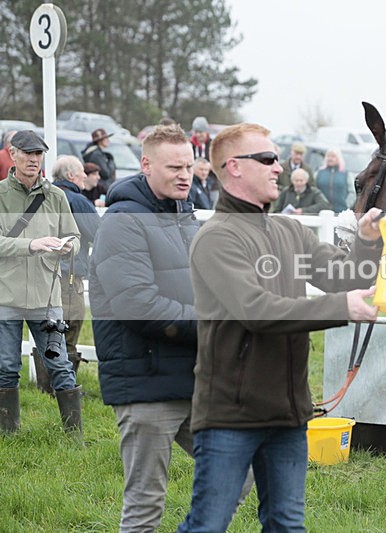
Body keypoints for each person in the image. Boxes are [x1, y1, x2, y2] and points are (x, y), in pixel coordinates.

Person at [177, 123, 383, 532]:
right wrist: (341, 307)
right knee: (208, 524)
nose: (279, 169)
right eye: (268, 159)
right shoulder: (216, 238)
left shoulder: (290, 231)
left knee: (287, 525)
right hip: (229, 416)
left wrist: (367, 241)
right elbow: (257, 310)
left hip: (288, 414)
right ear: (233, 168)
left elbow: (347, 276)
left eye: (277, 160)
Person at [89, 124, 202, 531]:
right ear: (146, 164)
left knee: (240, 471)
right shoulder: (122, 222)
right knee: (145, 503)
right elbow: (139, 307)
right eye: (174, 166)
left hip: (194, 379)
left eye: (189, 165)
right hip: (145, 384)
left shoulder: (186, 217)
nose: (184, 175)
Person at [0, 130, 83, 435]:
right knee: (6, 368)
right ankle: (8, 435)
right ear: (13, 154)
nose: (34, 159)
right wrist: (31, 245)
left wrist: (67, 246)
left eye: (39, 154)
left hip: (47, 298)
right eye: (28, 153)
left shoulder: (57, 196)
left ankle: (75, 440)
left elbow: (74, 237)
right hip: (4, 297)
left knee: (60, 366)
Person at [51, 155, 101, 374]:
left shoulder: (44, 195)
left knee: (49, 332)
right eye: (81, 171)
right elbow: (99, 234)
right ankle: (63, 386)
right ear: (71, 175)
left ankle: (47, 384)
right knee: (69, 331)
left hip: (41, 274)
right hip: (68, 278)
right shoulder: (78, 200)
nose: (84, 176)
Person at [315, 147, 350, 213]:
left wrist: (346, 204)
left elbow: (352, 192)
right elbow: (314, 189)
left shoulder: (345, 174)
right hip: (321, 210)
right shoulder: (319, 173)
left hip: (340, 210)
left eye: (333, 156)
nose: (330, 158)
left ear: (338, 158)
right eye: (328, 156)